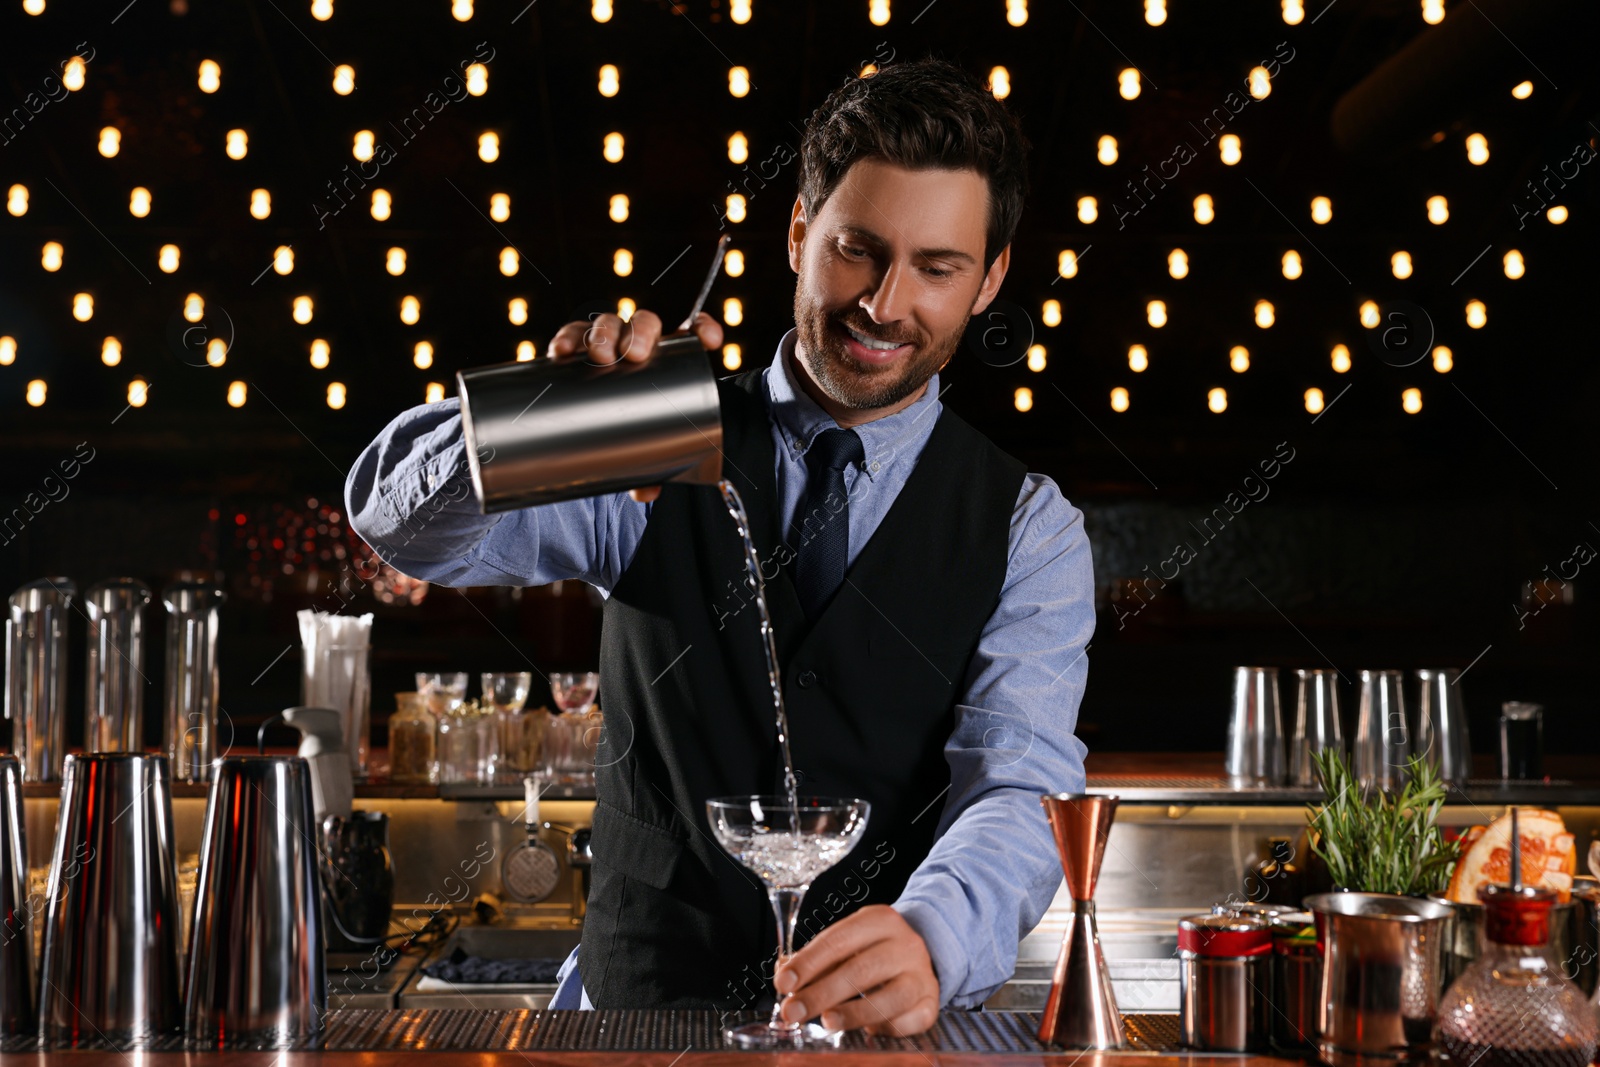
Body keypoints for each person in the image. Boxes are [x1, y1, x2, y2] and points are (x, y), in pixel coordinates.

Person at [345, 55, 1094, 1038]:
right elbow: (398, 523)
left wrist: (931, 933)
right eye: (857, 249)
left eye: (937, 267)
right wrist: (544, 415)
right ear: (798, 232)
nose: (883, 301)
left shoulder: (1027, 525)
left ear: (989, 277)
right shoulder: (653, 431)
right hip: (640, 1024)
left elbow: (1020, 777)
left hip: (883, 1041)